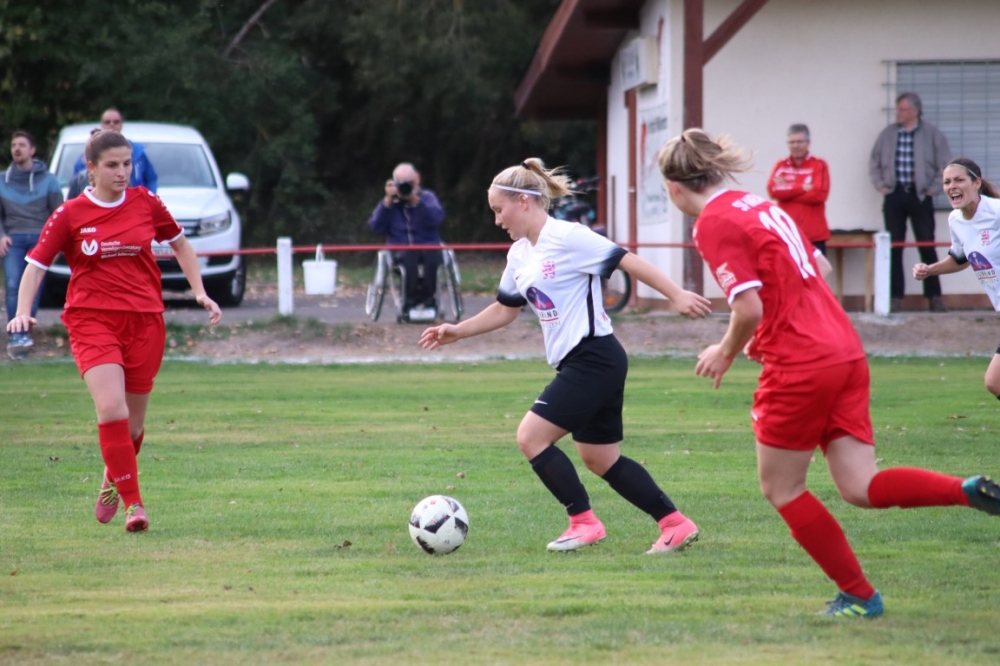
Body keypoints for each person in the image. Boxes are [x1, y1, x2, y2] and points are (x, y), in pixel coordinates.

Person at [658, 128, 1000, 618]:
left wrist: (726, 349)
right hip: (844, 350)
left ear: (674, 188)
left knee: (782, 488)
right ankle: (963, 490)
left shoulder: (713, 221)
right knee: (859, 486)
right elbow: (819, 271)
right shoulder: (763, 206)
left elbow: (748, 307)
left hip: (800, 363)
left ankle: (860, 595)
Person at [419, 158, 713, 554]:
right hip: (585, 362)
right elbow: (505, 309)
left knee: (531, 436)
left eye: (499, 210)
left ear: (523, 201)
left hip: (595, 358)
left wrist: (676, 295)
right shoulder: (519, 255)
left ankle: (584, 523)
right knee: (600, 459)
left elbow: (626, 260)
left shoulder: (568, 237)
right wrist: (458, 330)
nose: (497, 220)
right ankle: (674, 524)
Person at [6, 130, 221, 533]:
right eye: (112, 165)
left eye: (127, 164)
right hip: (92, 320)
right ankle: (133, 505)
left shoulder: (146, 202)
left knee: (133, 428)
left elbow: (181, 245)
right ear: (91, 168)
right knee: (112, 410)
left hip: (144, 321)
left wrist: (199, 292)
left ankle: (112, 477)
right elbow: (35, 266)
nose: (122, 172)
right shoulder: (70, 213)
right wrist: (21, 312)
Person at [913, 158, 1000, 397]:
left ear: (976, 183)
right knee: (995, 382)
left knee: (995, 380)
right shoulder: (956, 220)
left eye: (959, 180)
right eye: (947, 182)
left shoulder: (996, 211)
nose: (952, 186)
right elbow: (961, 258)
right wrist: (929, 270)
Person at [869, 92, 951, 312]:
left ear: (915, 111)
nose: (898, 113)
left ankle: (934, 297)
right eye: (898, 109)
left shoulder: (932, 134)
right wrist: (881, 186)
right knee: (894, 247)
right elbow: (874, 162)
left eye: (902, 109)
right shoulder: (888, 134)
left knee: (927, 246)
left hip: (921, 196)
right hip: (895, 195)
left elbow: (946, 165)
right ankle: (894, 297)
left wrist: (934, 189)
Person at [0, 130, 65, 359]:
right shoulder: (2, 180)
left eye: (21, 145)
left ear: (32, 150)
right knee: (13, 284)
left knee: (34, 286)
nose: (16, 149)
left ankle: (24, 332)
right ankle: (16, 334)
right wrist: (1, 235)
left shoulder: (49, 180)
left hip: (40, 238)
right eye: (13, 145)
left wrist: (55, 245)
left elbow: (59, 214)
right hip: (14, 239)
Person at [367, 162, 445, 321]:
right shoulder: (391, 204)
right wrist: (387, 200)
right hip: (400, 250)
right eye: (400, 183)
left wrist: (416, 202)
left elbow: (437, 218)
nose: (405, 187)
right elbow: (375, 226)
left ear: (417, 180)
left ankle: (429, 300)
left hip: (428, 246)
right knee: (409, 254)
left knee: (432, 255)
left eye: (408, 183)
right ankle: (408, 302)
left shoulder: (428, 197)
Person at [766, 123, 831, 254]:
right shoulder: (781, 165)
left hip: (814, 236)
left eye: (800, 142)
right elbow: (772, 191)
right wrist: (801, 187)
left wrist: (786, 191)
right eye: (792, 142)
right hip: (787, 234)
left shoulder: (819, 165)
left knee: (817, 268)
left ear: (808, 143)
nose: (795, 146)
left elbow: (819, 195)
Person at [72, 107, 158, 192]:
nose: (112, 124)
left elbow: (151, 179)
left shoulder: (138, 152)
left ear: (122, 124)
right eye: (107, 122)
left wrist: (147, 197)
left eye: (116, 122)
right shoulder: (88, 156)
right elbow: (77, 184)